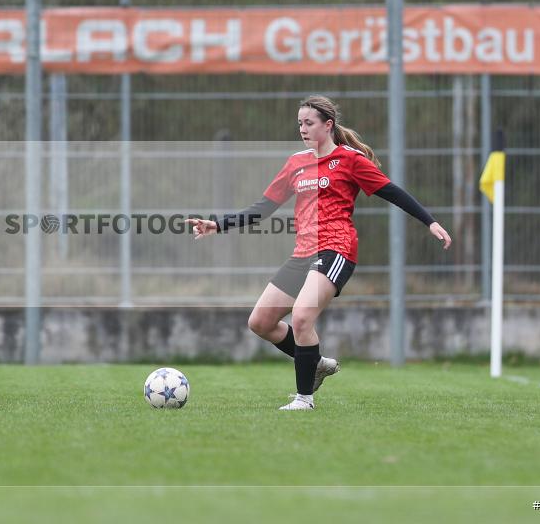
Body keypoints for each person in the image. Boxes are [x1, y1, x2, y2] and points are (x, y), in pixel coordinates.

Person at [186, 96, 451, 411]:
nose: (302, 129)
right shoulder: (296, 163)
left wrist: (430, 222)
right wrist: (217, 225)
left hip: (336, 248)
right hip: (303, 253)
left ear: (328, 125)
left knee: (301, 316)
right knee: (260, 322)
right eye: (299, 123)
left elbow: (391, 191)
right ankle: (318, 362)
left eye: (308, 123)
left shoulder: (350, 160)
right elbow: (263, 208)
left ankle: (304, 399)